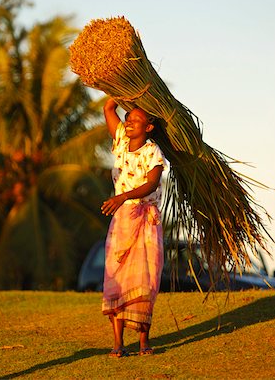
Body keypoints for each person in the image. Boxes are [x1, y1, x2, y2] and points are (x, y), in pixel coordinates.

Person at [101, 97, 166, 358]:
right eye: (129, 118)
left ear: (148, 127)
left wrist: (122, 197)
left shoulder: (153, 152)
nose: (129, 123)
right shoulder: (121, 143)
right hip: (123, 220)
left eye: (136, 120)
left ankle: (143, 342)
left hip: (146, 219)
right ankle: (118, 343)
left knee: (144, 279)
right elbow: (108, 108)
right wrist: (125, 92)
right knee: (116, 277)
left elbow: (151, 184)